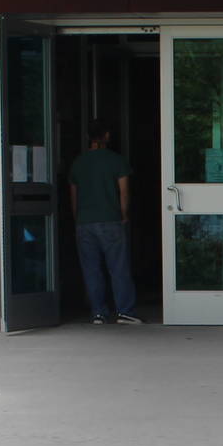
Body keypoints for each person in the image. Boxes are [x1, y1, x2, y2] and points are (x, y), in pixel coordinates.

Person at [69, 122, 140, 324]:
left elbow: (73, 197)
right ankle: (125, 311)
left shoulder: (78, 163)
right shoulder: (117, 161)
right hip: (111, 219)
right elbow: (124, 192)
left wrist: (78, 219)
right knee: (118, 267)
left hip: (84, 221)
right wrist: (124, 214)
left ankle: (98, 312)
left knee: (91, 269)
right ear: (107, 135)